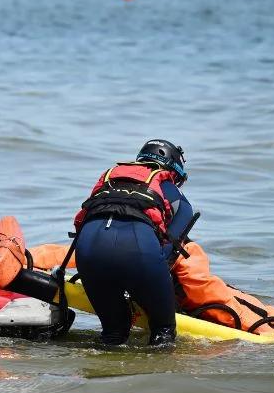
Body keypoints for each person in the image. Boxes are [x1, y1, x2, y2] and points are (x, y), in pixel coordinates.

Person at [72, 139, 195, 346]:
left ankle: (101, 373)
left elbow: (84, 221)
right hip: (139, 253)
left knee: (113, 333)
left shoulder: (110, 177)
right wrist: (149, 287)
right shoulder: (168, 186)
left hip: (88, 251)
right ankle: (162, 376)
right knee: (163, 333)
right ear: (173, 171)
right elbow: (170, 248)